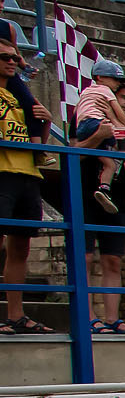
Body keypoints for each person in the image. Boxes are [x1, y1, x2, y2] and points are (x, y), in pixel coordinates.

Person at [70, 61, 125, 335]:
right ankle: (89, 317)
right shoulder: (85, 115)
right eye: (122, 97)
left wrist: (122, 129)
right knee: (84, 258)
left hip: (117, 194)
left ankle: (113, 318)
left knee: (113, 259)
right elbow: (74, 153)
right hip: (85, 192)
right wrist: (99, 136)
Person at [0, 31, 51, 334]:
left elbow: (39, 145)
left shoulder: (21, 94)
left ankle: (15, 315)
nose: (11, 62)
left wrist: (46, 121)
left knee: (20, 248)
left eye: (14, 58)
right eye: (4, 58)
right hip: (2, 172)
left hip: (28, 174)